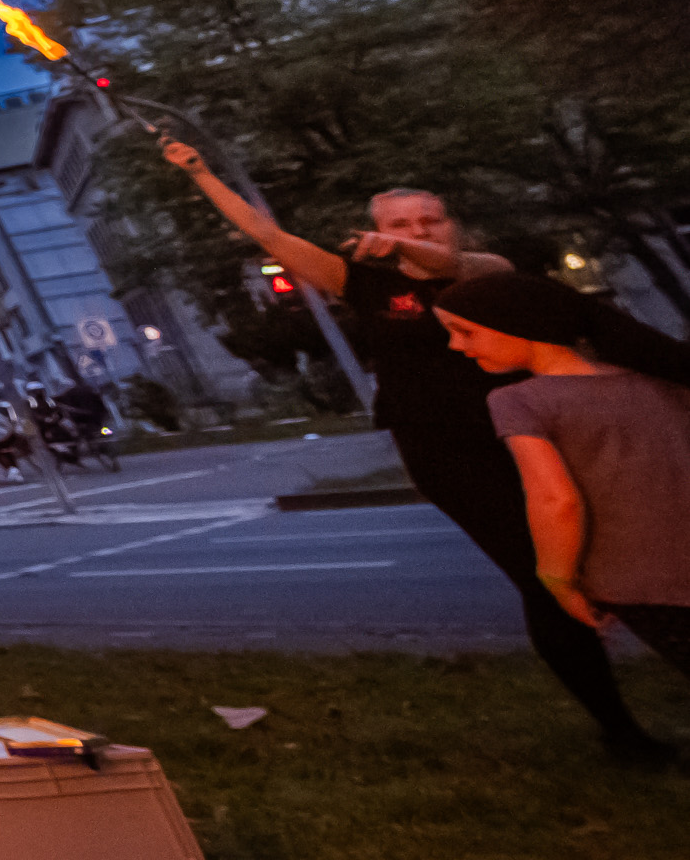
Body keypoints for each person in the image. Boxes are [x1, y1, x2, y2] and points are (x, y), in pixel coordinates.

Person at [164, 146, 668, 763]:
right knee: (543, 578)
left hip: (534, 429)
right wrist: (200, 173)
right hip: (446, 448)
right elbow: (263, 231)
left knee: (621, 554)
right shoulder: (361, 281)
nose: (418, 232)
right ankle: (621, 733)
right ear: (376, 228)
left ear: (451, 223)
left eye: (430, 219)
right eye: (400, 224)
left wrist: (410, 248)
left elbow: (452, 262)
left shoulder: (485, 275)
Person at [437, 272, 690, 690]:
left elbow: (555, 501)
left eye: (464, 331)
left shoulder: (518, 401)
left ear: (519, 323)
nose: (455, 345)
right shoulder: (657, 378)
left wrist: (557, 580)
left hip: (646, 583)